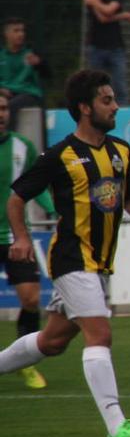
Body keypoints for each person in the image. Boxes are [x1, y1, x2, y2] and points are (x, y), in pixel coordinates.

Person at [0, 69, 130, 437]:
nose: (115, 106)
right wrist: (22, 237)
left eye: (113, 99)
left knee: (53, 341)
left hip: (98, 264)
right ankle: (117, 425)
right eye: (107, 100)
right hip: (70, 259)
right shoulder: (60, 155)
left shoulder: (120, 150)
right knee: (101, 335)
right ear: (85, 108)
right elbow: (16, 198)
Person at [0, 92, 56, 389]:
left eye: (4, 108)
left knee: (32, 299)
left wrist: (54, 210)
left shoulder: (24, 147)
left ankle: (26, 365)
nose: (1, 113)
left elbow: (39, 186)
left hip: (15, 236)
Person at [84, 0, 130, 105]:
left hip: (116, 48)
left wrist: (94, 2)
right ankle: (96, 109)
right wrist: (123, 15)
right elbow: (102, 18)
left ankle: (123, 111)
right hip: (96, 47)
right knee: (95, 84)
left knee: (119, 85)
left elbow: (109, 11)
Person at [0, 17, 50, 132]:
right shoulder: (1, 55)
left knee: (11, 106)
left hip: (28, 94)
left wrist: (39, 63)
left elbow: (48, 74)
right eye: (16, 31)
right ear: (6, 34)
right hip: (5, 93)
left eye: (22, 31)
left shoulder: (31, 53)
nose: (21, 34)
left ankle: (9, 139)